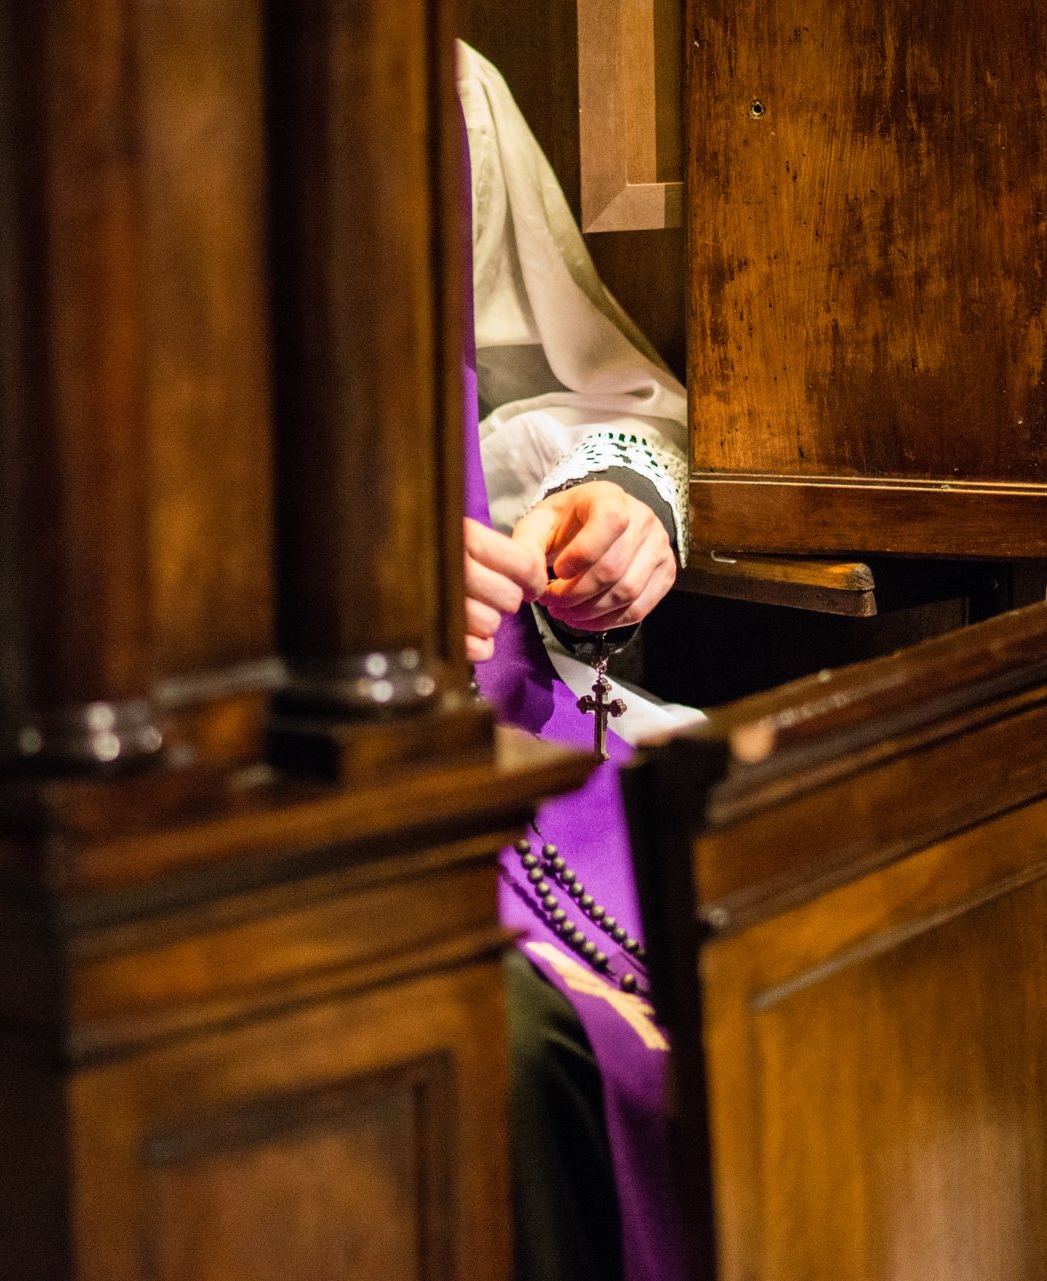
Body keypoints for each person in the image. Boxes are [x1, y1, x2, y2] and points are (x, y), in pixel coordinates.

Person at [456, 40, 699, 1281]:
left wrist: (606, 502)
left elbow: (542, 383)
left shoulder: (433, 79)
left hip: (519, 729)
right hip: (252, 780)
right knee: (513, 1055)